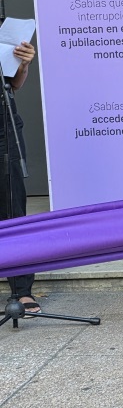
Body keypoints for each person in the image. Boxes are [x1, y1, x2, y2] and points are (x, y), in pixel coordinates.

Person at [2, 40, 36, 315]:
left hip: (5, 125)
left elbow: (13, 84)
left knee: (13, 208)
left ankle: (21, 290)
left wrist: (22, 64)